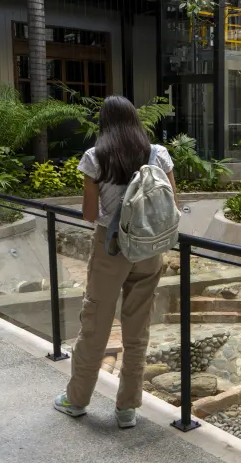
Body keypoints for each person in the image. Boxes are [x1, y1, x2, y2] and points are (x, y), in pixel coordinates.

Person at [54, 95, 179, 429]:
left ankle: (76, 400)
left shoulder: (96, 158)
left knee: (95, 324)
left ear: (104, 124)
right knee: (137, 330)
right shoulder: (158, 154)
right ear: (135, 120)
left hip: (110, 249)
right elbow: (171, 208)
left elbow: (90, 214)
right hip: (149, 249)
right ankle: (127, 409)